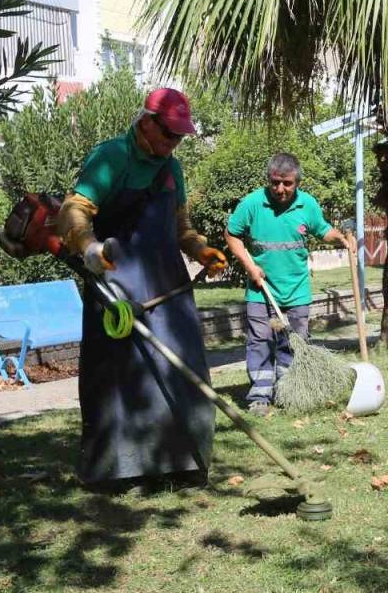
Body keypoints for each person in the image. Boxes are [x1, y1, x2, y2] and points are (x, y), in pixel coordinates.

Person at [56, 87, 228, 488]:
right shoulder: (111, 156)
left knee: (181, 371)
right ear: (146, 123)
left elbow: (181, 227)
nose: (173, 143)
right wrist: (89, 247)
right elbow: (73, 210)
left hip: (168, 285)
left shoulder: (173, 170)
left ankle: (184, 464)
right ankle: (117, 472)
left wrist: (202, 251)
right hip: (117, 285)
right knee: (118, 378)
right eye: (168, 134)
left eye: (180, 137)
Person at [224, 153, 353, 415]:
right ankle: (259, 396)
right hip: (261, 290)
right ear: (269, 180)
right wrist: (250, 267)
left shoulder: (307, 205)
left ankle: (286, 390)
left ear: (297, 182)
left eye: (287, 184)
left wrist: (339, 237)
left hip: (297, 291)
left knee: (293, 342)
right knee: (260, 341)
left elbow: (322, 229)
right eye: (275, 183)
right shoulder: (252, 203)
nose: (280, 189)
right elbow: (232, 234)